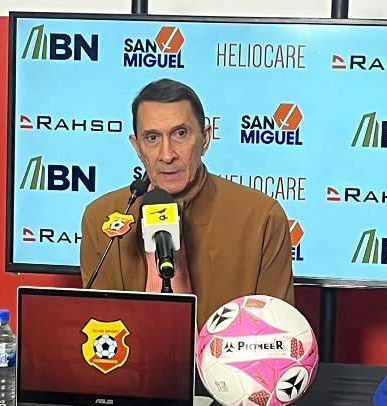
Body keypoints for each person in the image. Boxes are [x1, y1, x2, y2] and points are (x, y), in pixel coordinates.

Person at [80, 78, 294, 326]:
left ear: (205, 138)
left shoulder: (262, 218)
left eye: (180, 134)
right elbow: (97, 326)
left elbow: (277, 335)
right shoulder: (101, 218)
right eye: (152, 138)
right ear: (137, 146)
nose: (167, 155)